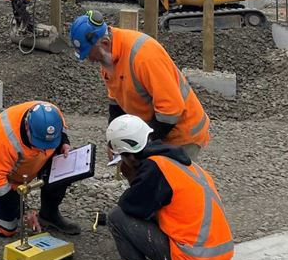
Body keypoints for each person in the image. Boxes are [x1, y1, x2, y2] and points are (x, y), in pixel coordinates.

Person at [106, 115, 232, 260]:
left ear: (130, 156)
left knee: (116, 218)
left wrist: (132, 176)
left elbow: (129, 208)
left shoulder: (154, 168)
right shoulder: (175, 160)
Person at [70, 10, 210, 159]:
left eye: (90, 54)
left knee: (166, 180)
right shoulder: (107, 57)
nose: (89, 60)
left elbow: (170, 111)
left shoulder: (144, 57)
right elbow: (116, 101)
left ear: (105, 43)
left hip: (181, 134)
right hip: (158, 128)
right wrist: (115, 140)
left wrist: (142, 144)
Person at [0, 101, 81, 236]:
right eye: (39, 142)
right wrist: (23, 210)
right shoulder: (5, 139)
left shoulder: (52, 114)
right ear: (27, 126)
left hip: (28, 165)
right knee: (6, 227)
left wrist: (64, 142)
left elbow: (62, 129)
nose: (44, 149)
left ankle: (49, 214)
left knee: (62, 168)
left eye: (48, 143)